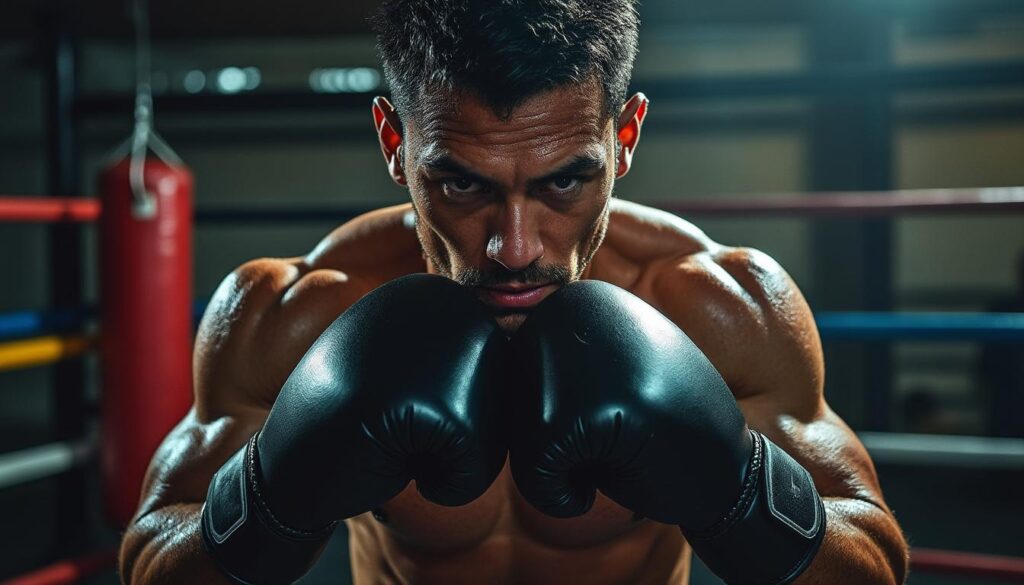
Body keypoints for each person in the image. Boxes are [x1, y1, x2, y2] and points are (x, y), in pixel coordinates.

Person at [119, 1, 908, 583]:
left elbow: (873, 563)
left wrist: (736, 487)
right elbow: (153, 559)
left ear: (623, 137)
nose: (515, 248)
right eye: (461, 184)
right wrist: (271, 492)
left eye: (567, 180)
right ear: (396, 144)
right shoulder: (301, 312)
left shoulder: (717, 303)